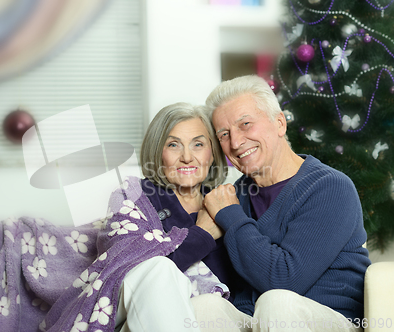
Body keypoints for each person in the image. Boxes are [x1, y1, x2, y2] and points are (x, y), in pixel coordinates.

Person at [198, 75, 371, 331]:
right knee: (203, 308)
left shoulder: (329, 187)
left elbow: (285, 279)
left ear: (279, 123)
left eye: (245, 124)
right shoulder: (233, 196)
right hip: (255, 320)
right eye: (224, 134)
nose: (235, 143)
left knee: (277, 303)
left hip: (324, 317)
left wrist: (230, 215)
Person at [114, 102, 230, 332]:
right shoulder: (133, 197)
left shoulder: (225, 203)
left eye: (198, 144)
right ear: (158, 152)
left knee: (211, 306)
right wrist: (203, 234)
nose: (187, 157)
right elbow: (127, 271)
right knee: (158, 267)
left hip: (214, 319)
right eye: (174, 145)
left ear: (212, 152)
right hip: (137, 314)